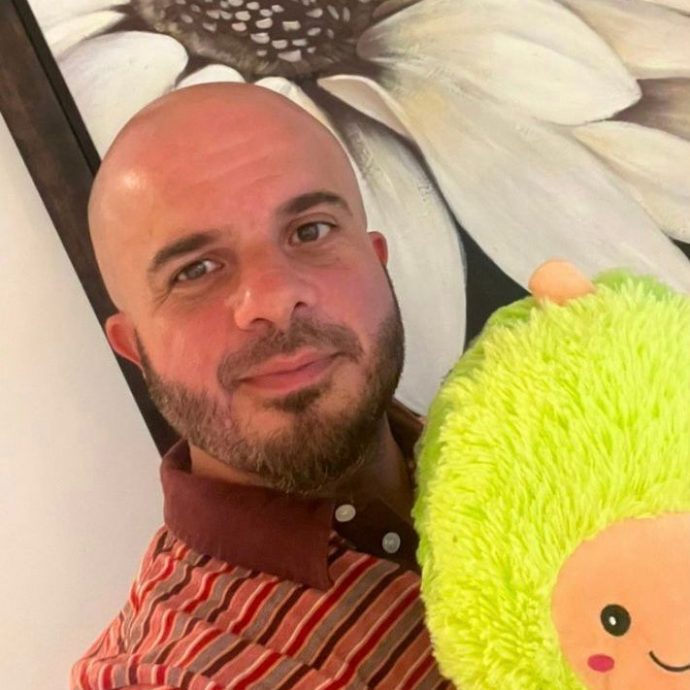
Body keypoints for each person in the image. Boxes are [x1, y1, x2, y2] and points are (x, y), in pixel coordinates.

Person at [72, 82, 454, 690]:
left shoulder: (533, 446)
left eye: (310, 231)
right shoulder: (165, 673)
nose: (274, 298)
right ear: (134, 348)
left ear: (377, 260)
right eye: (196, 270)